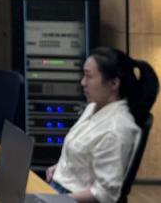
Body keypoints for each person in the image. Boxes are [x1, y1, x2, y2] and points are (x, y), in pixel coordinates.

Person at [46, 47, 159, 203]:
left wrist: (58, 199)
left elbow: (104, 194)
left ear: (113, 83)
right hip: (60, 188)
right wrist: (62, 168)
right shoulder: (94, 106)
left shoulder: (116, 130)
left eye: (88, 76)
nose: (83, 82)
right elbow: (83, 154)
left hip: (71, 197)